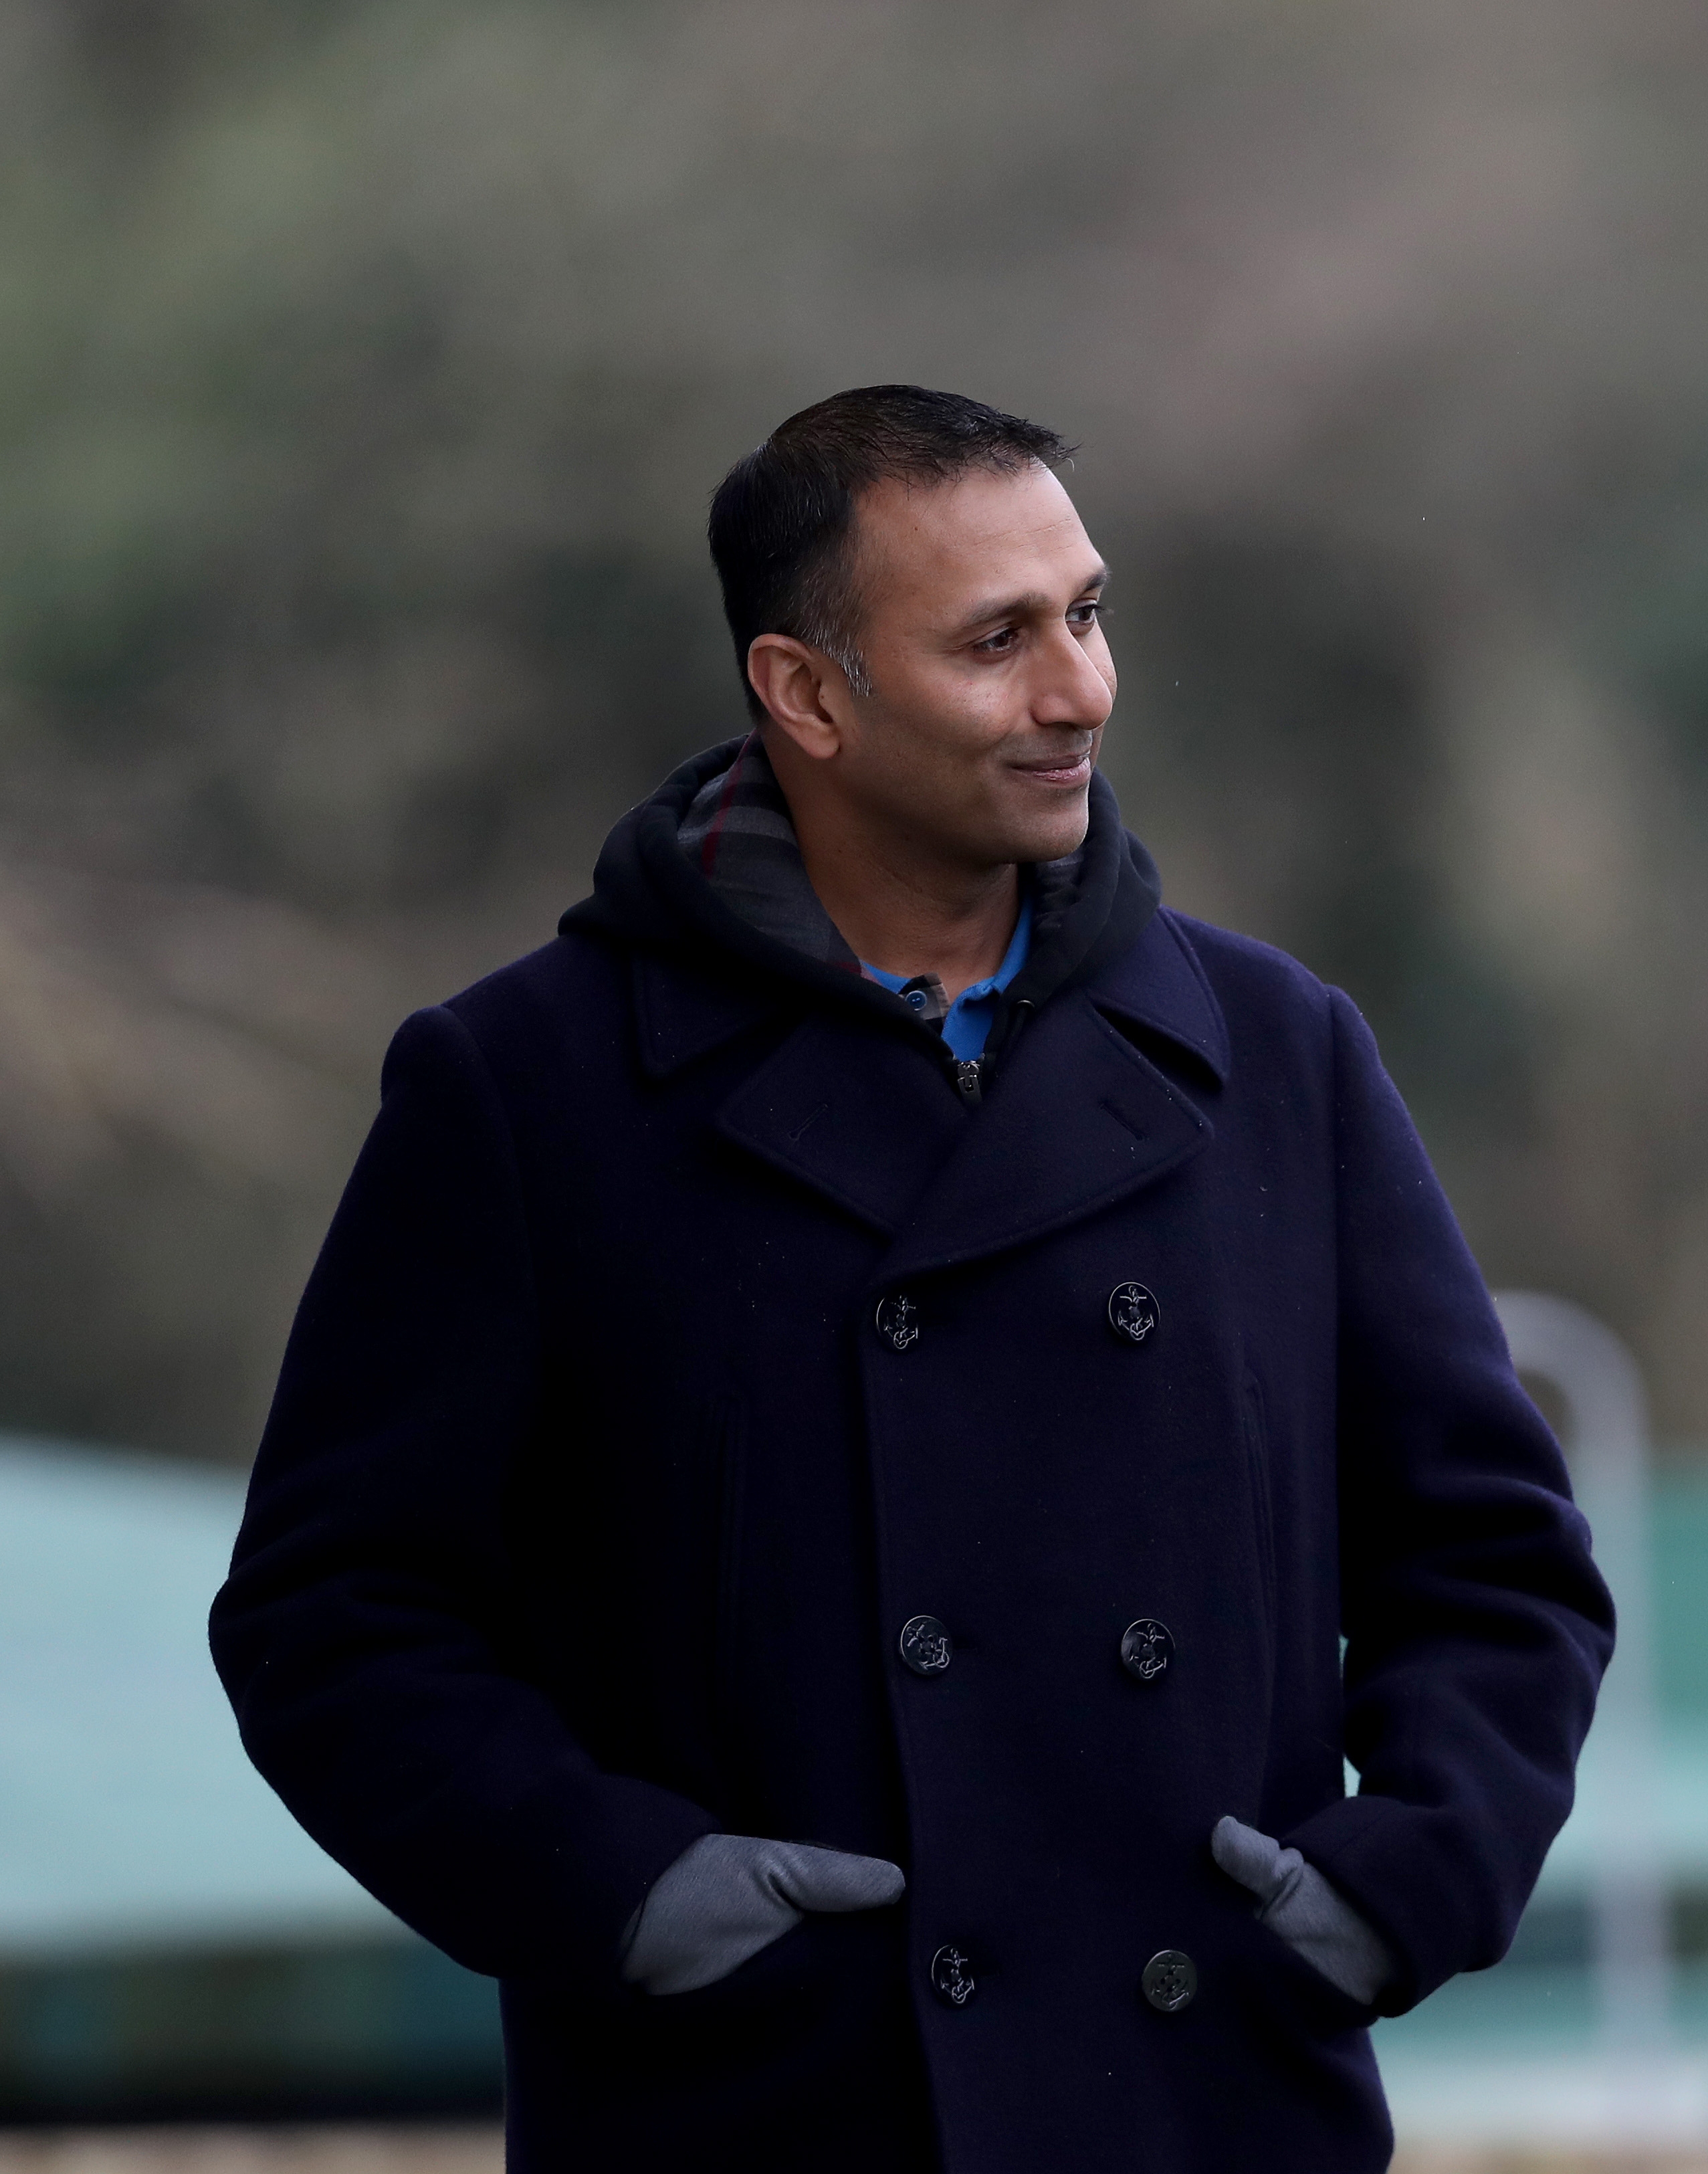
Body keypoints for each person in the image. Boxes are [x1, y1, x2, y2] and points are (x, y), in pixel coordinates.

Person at [212, 386, 1612, 2171]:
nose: (1079, 691)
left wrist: (1403, 1871)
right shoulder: (526, 1088)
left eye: (1087, 615)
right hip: (759, 2111)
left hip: (1207, 2098)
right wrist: (627, 1889)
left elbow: (1494, 1564)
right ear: (806, 691)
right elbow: (333, 1618)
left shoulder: (1276, 1050)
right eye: (995, 641)